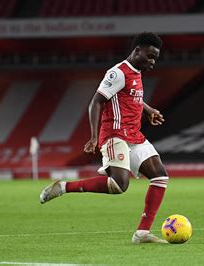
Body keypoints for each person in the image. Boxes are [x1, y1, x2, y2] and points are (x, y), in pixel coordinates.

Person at [40, 32, 169, 244]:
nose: (153, 62)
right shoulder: (117, 73)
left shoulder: (136, 73)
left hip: (134, 135)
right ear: (137, 51)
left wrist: (148, 109)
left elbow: (131, 96)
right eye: (150, 56)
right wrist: (93, 137)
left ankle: (142, 233)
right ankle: (63, 187)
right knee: (120, 185)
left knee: (160, 176)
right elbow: (96, 102)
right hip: (114, 134)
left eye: (155, 58)